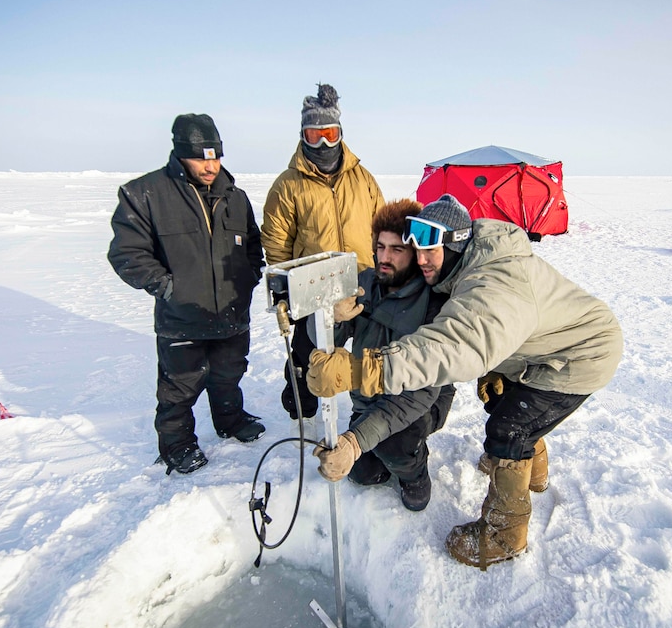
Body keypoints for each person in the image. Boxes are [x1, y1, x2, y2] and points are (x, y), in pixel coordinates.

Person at [306, 194, 623, 568]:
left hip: (581, 355)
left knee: (508, 430)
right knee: (503, 398)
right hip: (537, 349)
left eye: (429, 250)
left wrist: (361, 370)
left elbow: (451, 347)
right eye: (390, 248)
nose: (420, 259)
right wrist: (330, 317)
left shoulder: (494, 280)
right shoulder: (459, 267)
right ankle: (530, 471)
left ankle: (504, 535)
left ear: (456, 244)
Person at [107, 114, 266, 476]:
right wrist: (168, 288)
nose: (210, 166)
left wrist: (248, 278)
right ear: (180, 155)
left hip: (231, 312)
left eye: (216, 157)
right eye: (200, 158)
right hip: (182, 317)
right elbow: (126, 253)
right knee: (180, 387)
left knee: (229, 373)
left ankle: (230, 419)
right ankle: (177, 445)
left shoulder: (235, 197)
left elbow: (253, 247)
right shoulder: (146, 194)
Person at [310, 199, 456, 511]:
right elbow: (322, 345)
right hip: (368, 394)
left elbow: (419, 393)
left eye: (397, 249)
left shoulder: (433, 302)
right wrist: (332, 319)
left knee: (396, 443)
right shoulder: (364, 284)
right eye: (380, 247)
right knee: (363, 473)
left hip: (421, 400)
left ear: (416, 254)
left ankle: (415, 472)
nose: (384, 258)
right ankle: (388, 453)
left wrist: (355, 441)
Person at [261, 83, 385, 420]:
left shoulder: (364, 179)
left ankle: (372, 411)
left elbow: (382, 228)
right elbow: (276, 242)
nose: (323, 143)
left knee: (368, 350)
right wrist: (289, 288)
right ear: (302, 136)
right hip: (314, 286)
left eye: (329, 133)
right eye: (314, 136)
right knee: (308, 352)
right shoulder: (288, 184)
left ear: (341, 133)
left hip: (362, 281)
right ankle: (303, 404)